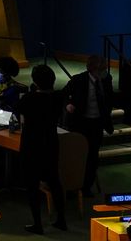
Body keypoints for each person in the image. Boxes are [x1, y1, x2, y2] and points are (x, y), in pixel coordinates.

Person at [17, 64, 67, 234]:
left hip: (32, 145)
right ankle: (61, 219)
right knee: (55, 182)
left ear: (35, 81)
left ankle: (38, 224)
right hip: (51, 144)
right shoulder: (58, 97)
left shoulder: (29, 99)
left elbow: (18, 111)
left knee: (32, 186)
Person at [63, 54, 114, 196]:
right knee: (77, 155)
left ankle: (86, 187)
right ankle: (73, 186)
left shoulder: (106, 80)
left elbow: (109, 99)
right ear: (93, 69)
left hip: (97, 123)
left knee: (93, 156)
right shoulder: (78, 80)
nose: (104, 73)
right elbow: (64, 94)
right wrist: (68, 104)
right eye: (101, 70)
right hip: (80, 123)